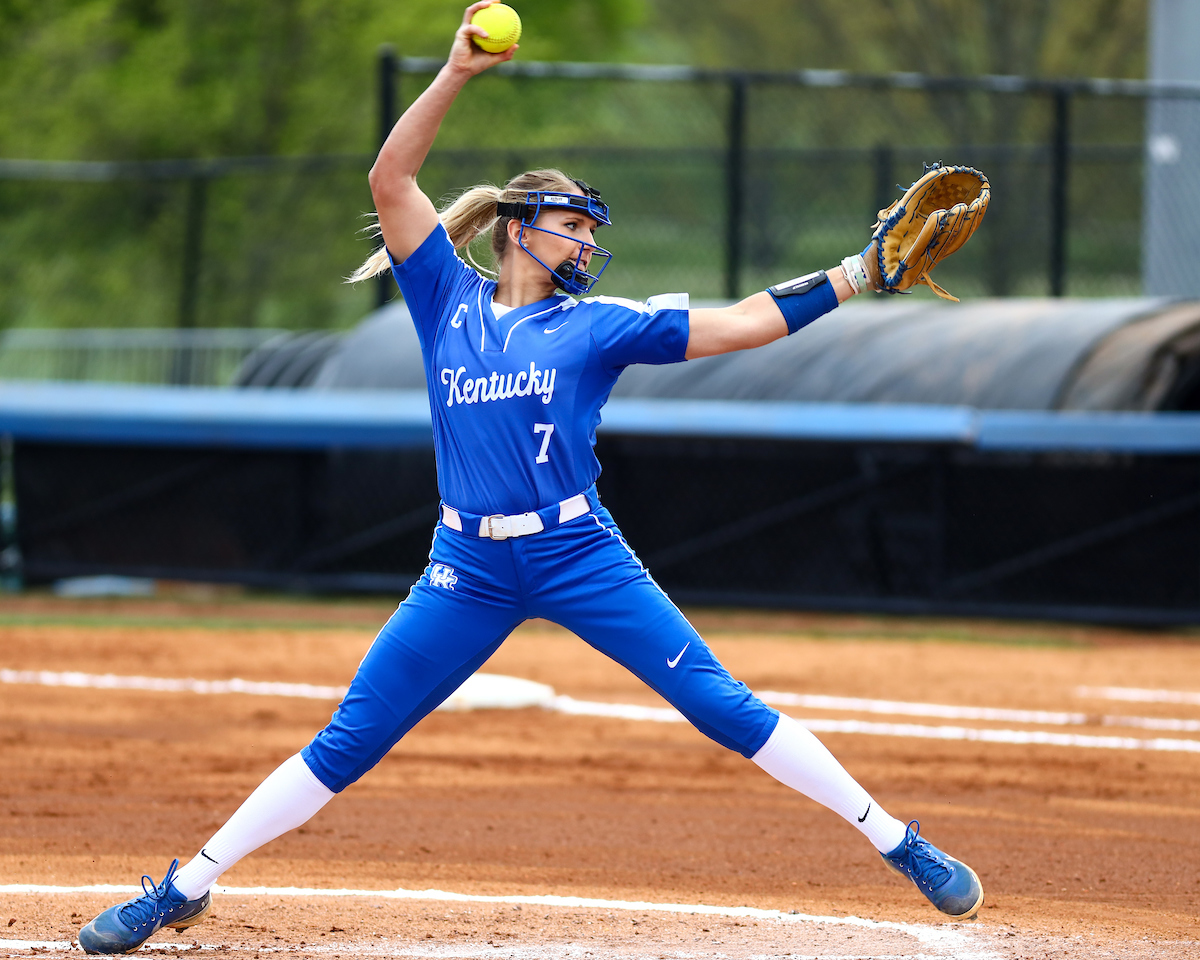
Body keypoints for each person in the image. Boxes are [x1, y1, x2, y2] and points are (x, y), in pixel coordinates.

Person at [77, 3, 983, 953]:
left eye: (590, 230)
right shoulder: (445, 298)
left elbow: (742, 322)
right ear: (517, 230)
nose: (586, 244)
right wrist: (457, 73)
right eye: (570, 225)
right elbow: (390, 180)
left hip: (578, 552)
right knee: (350, 739)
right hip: (465, 568)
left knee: (723, 705)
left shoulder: (597, 325)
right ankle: (184, 885)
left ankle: (901, 843)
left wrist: (857, 272)